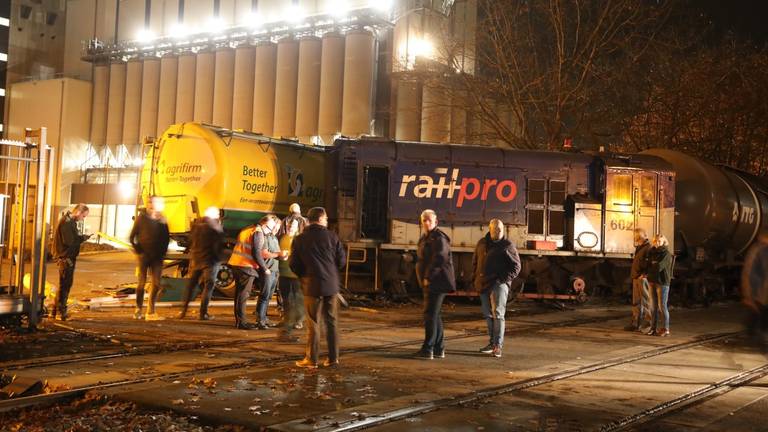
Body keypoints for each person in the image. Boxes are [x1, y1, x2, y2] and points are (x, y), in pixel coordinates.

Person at [290, 207, 346, 368]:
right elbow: (341, 261)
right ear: (321, 219)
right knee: (332, 322)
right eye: (326, 218)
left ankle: (311, 359)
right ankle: (333, 358)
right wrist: (331, 272)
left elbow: (294, 264)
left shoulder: (300, 239)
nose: (327, 221)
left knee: (313, 323)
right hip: (331, 285)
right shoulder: (332, 236)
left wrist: (304, 276)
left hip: (312, 285)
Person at [472, 219, 521, 358]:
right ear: (490, 229)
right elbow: (475, 261)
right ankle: (492, 343)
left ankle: (498, 346)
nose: (498, 231)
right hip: (483, 283)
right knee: (488, 315)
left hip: (498, 285)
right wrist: (474, 279)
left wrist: (502, 280)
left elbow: (516, 267)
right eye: (495, 229)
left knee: (498, 314)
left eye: (500, 229)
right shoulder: (482, 243)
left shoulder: (507, 245)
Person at [414, 209, 456, 360]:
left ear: (435, 222)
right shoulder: (427, 237)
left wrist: (428, 276)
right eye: (424, 220)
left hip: (437, 281)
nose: (426, 223)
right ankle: (439, 348)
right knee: (435, 314)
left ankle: (428, 348)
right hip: (432, 281)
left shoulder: (439, 238)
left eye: (429, 220)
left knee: (430, 314)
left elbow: (440, 258)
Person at [179, 206, 225, 321]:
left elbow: (190, 241)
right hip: (210, 261)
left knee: (191, 286)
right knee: (208, 287)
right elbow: (216, 247)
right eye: (217, 214)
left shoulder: (196, 226)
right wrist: (219, 258)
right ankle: (203, 313)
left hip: (197, 259)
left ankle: (183, 311)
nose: (219, 216)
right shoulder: (215, 228)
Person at [129, 196, 170, 321]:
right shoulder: (141, 218)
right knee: (141, 283)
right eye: (150, 203)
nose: (151, 205)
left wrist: (162, 252)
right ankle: (138, 309)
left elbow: (166, 237)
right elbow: (132, 237)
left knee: (156, 284)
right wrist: (138, 250)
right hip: (144, 257)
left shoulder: (162, 219)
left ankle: (151, 311)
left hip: (157, 258)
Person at [227, 218, 269, 330]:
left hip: (236, 263)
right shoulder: (258, 232)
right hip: (246, 266)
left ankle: (239, 320)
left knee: (239, 294)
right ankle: (242, 322)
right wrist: (264, 268)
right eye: (269, 228)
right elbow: (256, 252)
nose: (269, 231)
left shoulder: (247, 229)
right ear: (264, 225)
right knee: (243, 295)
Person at [51, 203, 91, 321]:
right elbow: (69, 241)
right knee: (65, 285)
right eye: (83, 216)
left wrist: (81, 237)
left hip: (67, 257)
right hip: (65, 258)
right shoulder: (66, 222)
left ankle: (55, 311)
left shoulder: (70, 222)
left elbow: (72, 239)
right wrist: (81, 239)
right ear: (78, 212)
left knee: (64, 285)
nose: (83, 219)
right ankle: (60, 312)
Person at [253, 214, 286, 329]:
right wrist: (279, 254)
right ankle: (260, 320)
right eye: (276, 226)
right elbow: (264, 253)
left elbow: (275, 253)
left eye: (279, 227)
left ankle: (264, 318)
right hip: (267, 270)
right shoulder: (266, 236)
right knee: (264, 295)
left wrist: (282, 256)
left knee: (269, 296)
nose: (277, 229)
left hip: (274, 270)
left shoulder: (274, 237)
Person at [277, 218, 303, 342]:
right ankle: (287, 321)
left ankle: (296, 322)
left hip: (295, 275)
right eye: (290, 224)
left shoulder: (299, 239)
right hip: (284, 274)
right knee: (286, 299)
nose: (291, 226)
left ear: (297, 227)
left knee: (297, 300)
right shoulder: (283, 238)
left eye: (294, 225)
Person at [741, 233, 768, 347]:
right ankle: (756, 335)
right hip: (759, 293)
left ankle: (757, 335)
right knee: (758, 314)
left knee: (759, 314)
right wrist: (748, 294)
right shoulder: (759, 250)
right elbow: (749, 272)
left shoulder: (759, 250)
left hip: (760, 293)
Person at [626, 228, 653, 333]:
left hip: (642, 278)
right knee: (636, 302)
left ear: (641, 236)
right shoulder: (640, 248)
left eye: (635, 235)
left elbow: (650, 263)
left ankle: (648, 323)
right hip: (636, 277)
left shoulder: (648, 248)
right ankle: (635, 323)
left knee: (646, 300)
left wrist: (645, 274)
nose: (634, 237)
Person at [647, 234, 673, 336]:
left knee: (662, 306)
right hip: (652, 281)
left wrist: (653, 264)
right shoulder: (652, 252)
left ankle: (665, 329)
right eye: (655, 241)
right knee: (653, 306)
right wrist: (652, 264)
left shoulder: (666, 254)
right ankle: (653, 328)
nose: (657, 243)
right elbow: (648, 264)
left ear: (663, 242)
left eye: (659, 241)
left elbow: (659, 267)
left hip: (662, 282)